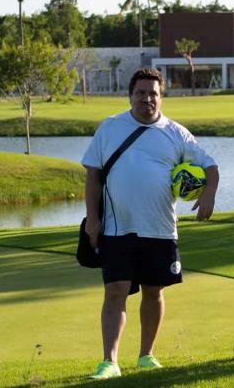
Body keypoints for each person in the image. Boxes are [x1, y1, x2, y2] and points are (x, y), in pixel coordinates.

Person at [82, 68, 219, 380]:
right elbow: (93, 175)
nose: (147, 98)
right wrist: (93, 217)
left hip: (159, 228)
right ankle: (110, 362)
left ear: (161, 96)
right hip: (117, 227)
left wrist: (209, 195)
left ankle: (146, 356)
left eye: (153, 93)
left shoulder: (176, 133)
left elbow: (210, 166)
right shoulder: (111, 127)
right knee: (115, 291)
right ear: (130, 95)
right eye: (141, 93)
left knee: (153, 291)